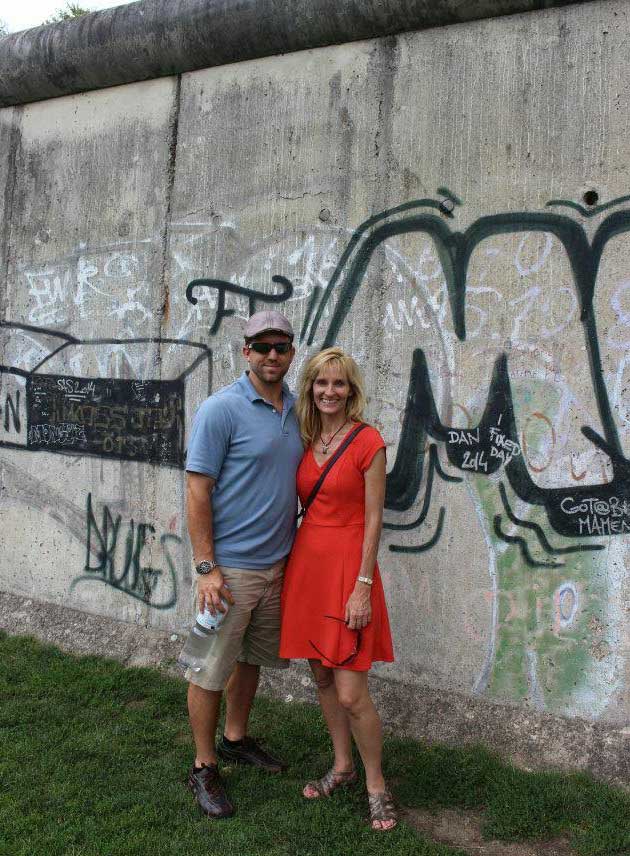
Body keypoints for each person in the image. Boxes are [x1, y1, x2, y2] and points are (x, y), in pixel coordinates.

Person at [184, 310, 303, 819]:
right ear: (246, 351)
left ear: (291, 352)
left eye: (282, 346)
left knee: (251, 659)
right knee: (209, 668)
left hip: (278, 567)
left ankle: (235, 738)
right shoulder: (221, 409)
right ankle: (203, 765)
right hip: (228, 572)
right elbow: (196, 489)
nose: (272, 355)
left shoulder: (298, 409)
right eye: (263, 346)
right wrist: (206, 567)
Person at [279, 347, 397, 831]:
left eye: (339, 383)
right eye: (321, 383)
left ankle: (376, 785)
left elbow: (374, 520)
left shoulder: (369, 442)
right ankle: (342, 765)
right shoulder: (307, 438)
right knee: (323, 678)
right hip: (309, 567)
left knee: (351, 691)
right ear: (311, 388)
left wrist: (363, 587)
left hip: (351, 570)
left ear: (352, 390)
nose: (330, 391)